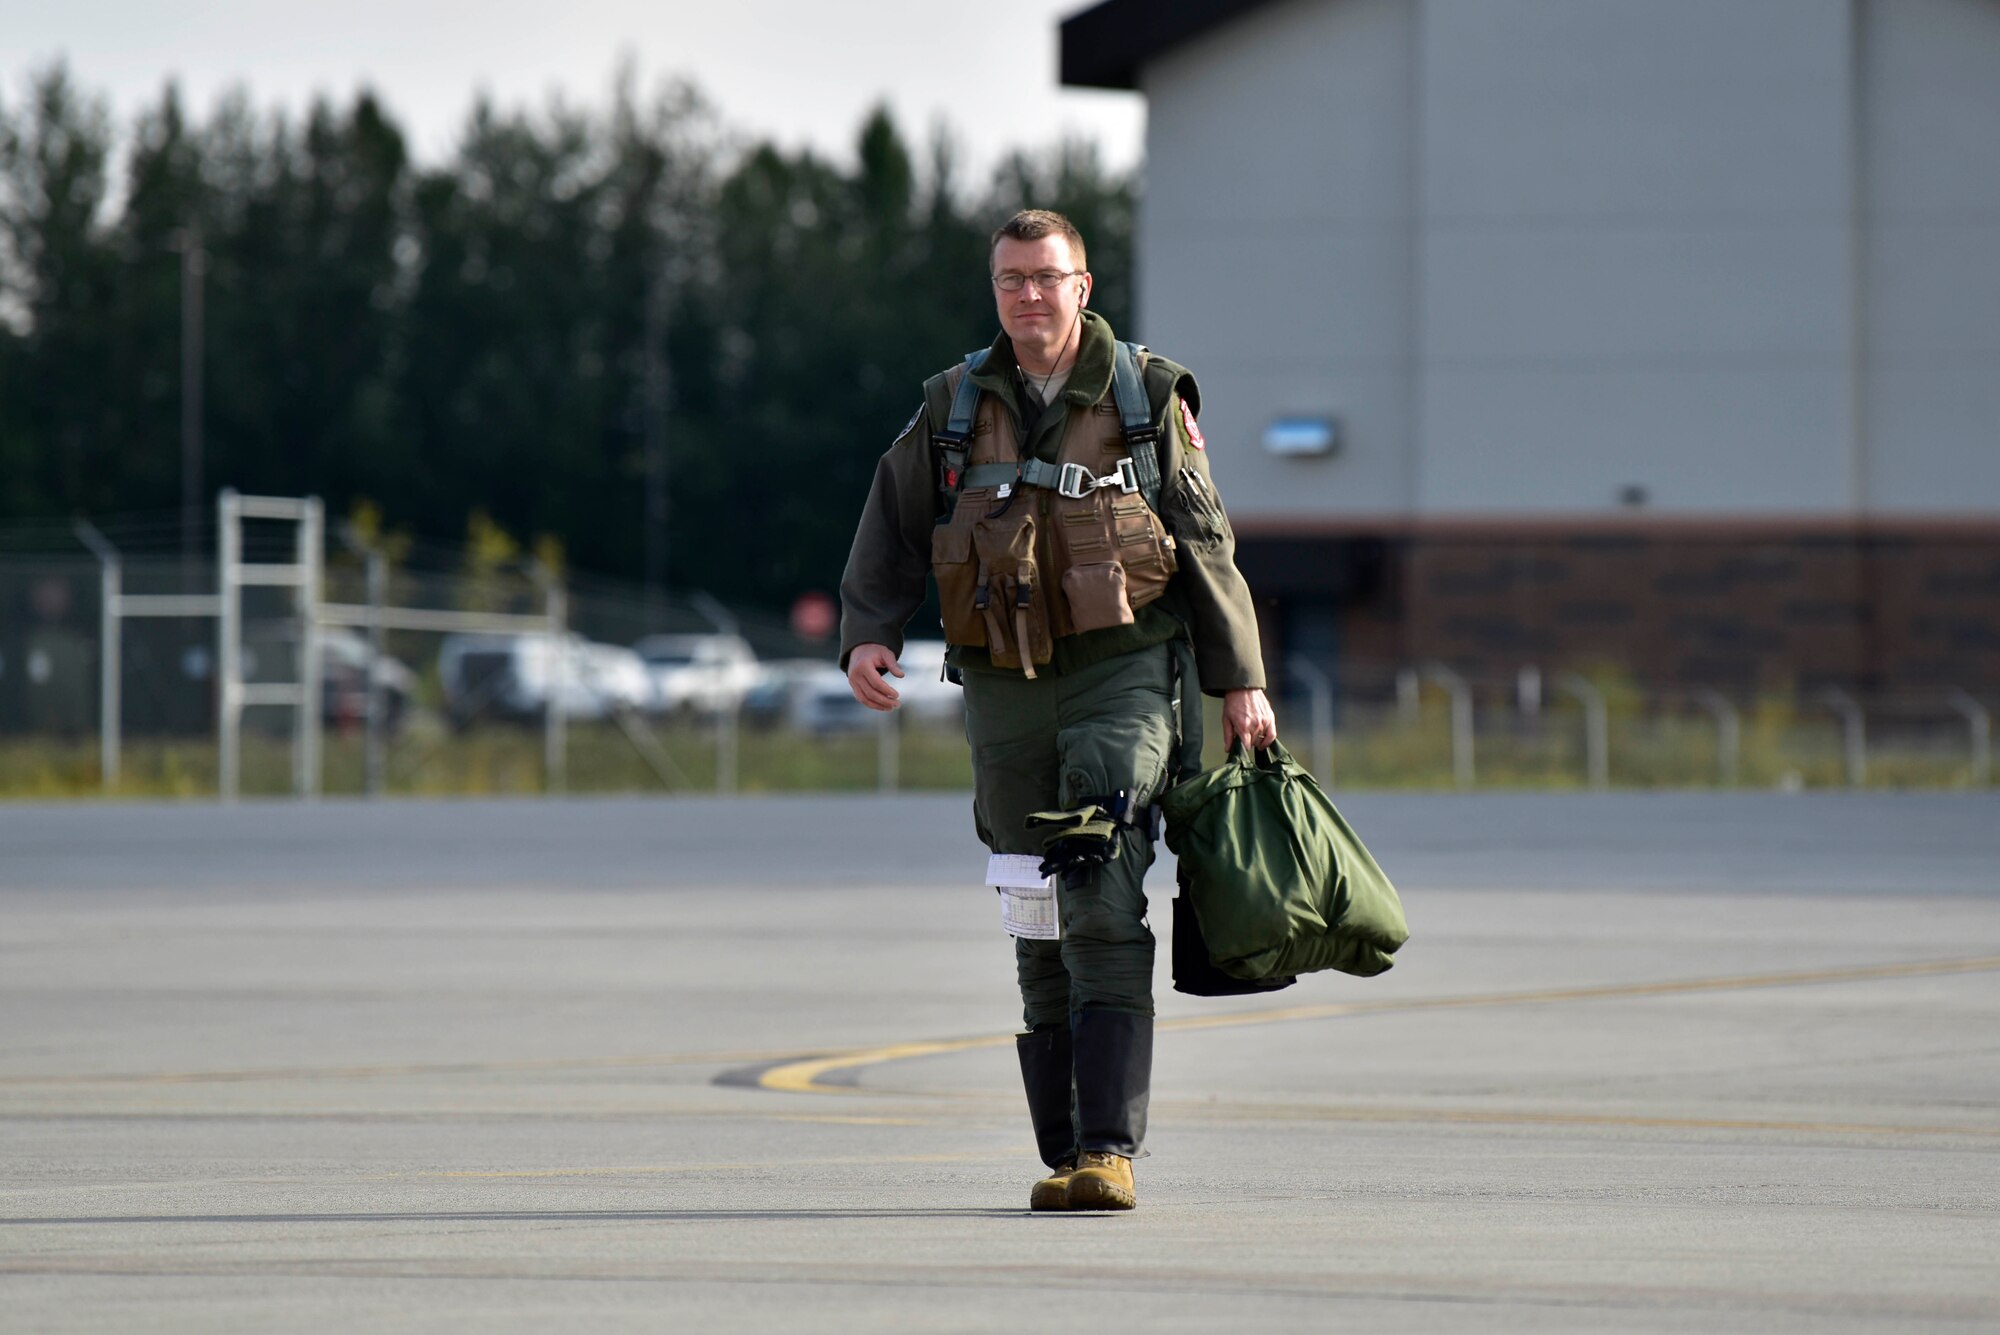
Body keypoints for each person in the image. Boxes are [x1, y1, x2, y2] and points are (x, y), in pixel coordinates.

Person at [838, 209, 1274, 1211]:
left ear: (1083, 286)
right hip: (1001, 687)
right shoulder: (952, 405)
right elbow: (892, 521)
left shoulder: (1145, 397)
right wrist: (868, 630)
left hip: (1122, 672)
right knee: (1031, 910)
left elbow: (1203, 541)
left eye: (1045, 276)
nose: (1027, 295)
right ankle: (1063, 1152)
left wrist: (1237, 678)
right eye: (1009, 279)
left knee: (1095, 865)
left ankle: (1110, 1149)